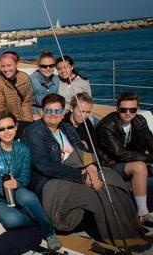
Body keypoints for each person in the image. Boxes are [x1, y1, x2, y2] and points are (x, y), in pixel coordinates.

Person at [23, 94, 151, 250]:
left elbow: (84, 151)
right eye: (49, 111)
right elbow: (45, 165)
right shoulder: (34, 132)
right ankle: (117, 235)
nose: (53, 114)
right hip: (49, 181)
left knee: (112, 178)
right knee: (94, 193)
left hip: (75, 170)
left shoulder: (66, 128)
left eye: (58, 111)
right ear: (42, 112)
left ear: (64, 113)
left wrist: (91, 168)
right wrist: (83, 177)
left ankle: (130, 226)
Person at [0, 112, 61, 250]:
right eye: (1, 129)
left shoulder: (23, 150)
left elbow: (25, 177)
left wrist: (18, 183)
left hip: (15, 192)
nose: (6, 131)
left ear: (16, 127)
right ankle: (36, 222)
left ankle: (49, 232)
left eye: (10, 127)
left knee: (29, 197)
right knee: (12, 221)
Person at [96, 92, 153, 224]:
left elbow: (150, 141)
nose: (128, 113)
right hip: (109, 165)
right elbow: (120, 153)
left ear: (137, 109)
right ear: (117, 109)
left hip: (129, 161)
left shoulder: (139, 121)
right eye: (124, 110)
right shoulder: (107, 126)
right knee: (139, 167)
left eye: (132, 110)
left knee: (141, 165)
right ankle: (142, 212)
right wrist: (150, 158)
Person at [0, 51, 33, 135]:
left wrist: (28, 121)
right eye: (3, 66)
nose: (6, 69)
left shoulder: (24, 77)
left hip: (24, 119)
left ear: (16, 64)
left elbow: (27, 101)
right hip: (9, 122)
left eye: (9, 65)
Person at [30, 51, 60, 119]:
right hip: (37, 117)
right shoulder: (31, 80)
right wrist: (32, 115)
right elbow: (24, 103)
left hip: (52, 117)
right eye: (44, 66)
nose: (48, 68)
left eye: (51, 66)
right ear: (38, 66)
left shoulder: (56, 80)